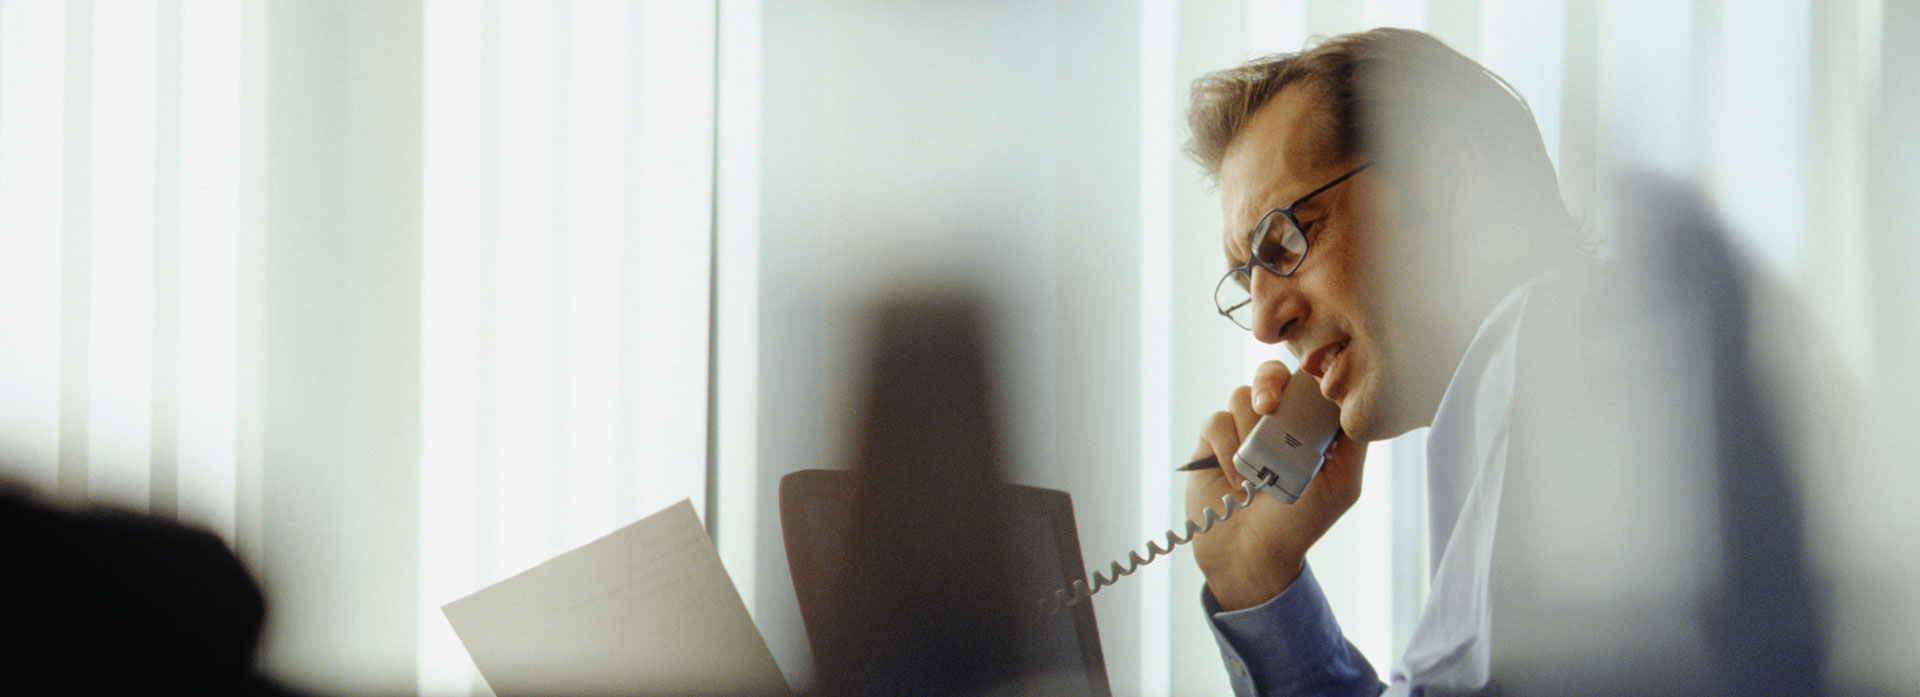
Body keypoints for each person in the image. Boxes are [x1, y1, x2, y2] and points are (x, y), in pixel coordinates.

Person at [1179, 28, 1598, 696]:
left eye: (1285, 240)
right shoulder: (1533, 375)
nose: (1264, 324)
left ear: (1446, 182)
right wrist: (1255, 572)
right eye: (1244, 279)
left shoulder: (1556, 356)